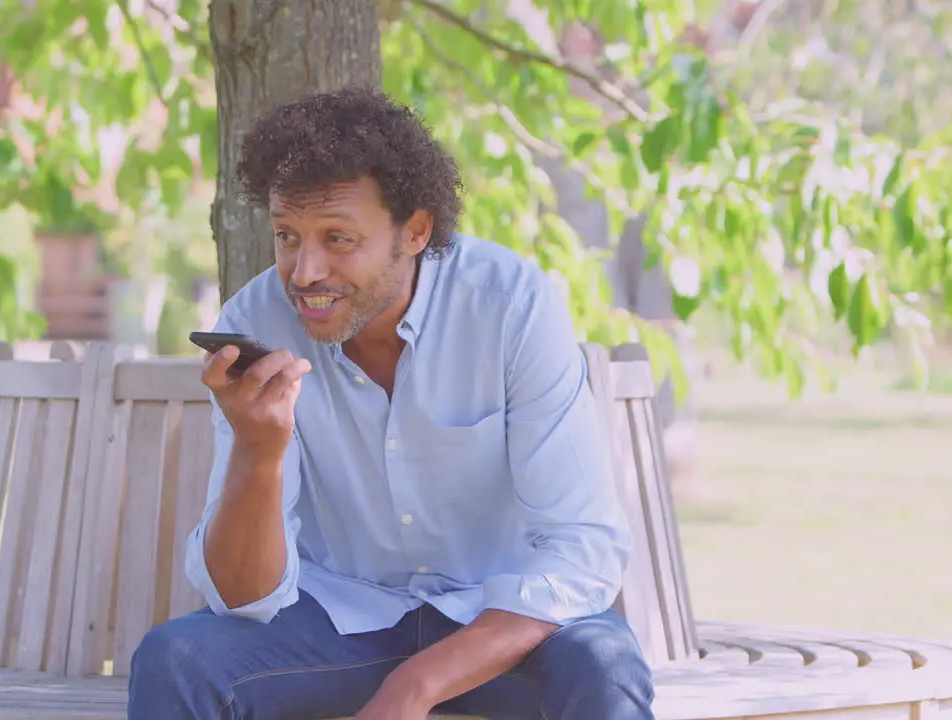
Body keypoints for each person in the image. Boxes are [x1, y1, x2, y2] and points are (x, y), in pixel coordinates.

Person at [128, 87, 654, 720]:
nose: (303, 271)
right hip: (337, 623)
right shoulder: (258, 320)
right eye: (288, 236)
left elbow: (582, 549)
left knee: (604, 662)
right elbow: (245, 600)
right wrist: (258, 449)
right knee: (176, 660)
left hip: (498, 623)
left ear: (416, 231)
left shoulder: (509, 306)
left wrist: (414, 689)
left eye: (338, 239)